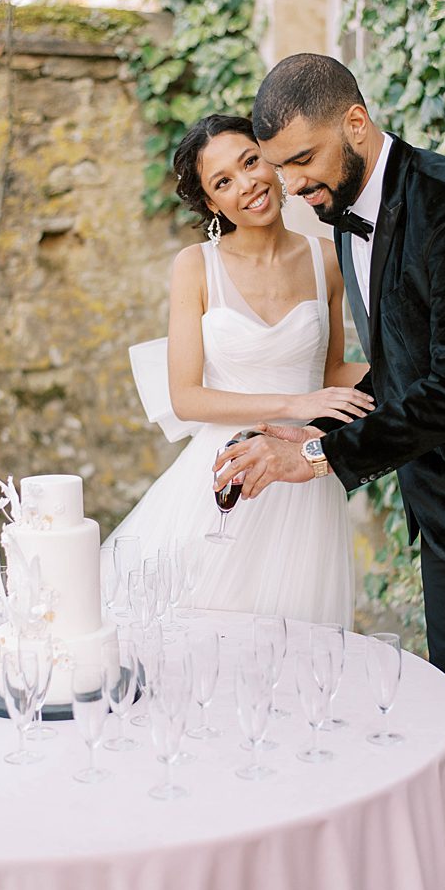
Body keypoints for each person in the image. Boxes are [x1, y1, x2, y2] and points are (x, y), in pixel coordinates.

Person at [216, 53, 445, 890]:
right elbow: (402, 368)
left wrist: (325, 463)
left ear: (354, 123)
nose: (294, 185)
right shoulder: (343, 215)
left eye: (302, 161)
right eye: (279, 167)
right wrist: (311, 428)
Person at [104, 113, 372, 626]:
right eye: (223, 182)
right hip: (224, 475)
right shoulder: (194, 266)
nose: (247, 185)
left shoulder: (328, 260)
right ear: (211, 202)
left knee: (295, 645)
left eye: (251, 162)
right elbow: (187, 397)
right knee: (195, 640)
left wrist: (416, 371)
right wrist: (295, 404)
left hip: (303, 479)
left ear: (271, 160)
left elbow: (333, 370)